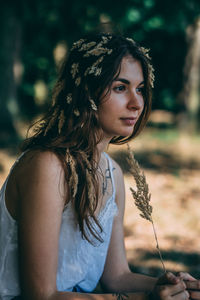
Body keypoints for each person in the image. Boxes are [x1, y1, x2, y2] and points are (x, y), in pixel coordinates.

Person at [0, 33, 199, 300]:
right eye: (120, 87)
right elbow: (41, 295)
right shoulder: (47, 166)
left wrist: (168, 287)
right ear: (87, 92)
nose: (136, 102)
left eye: (140, 89)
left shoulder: (112, 173)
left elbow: (116, 277)